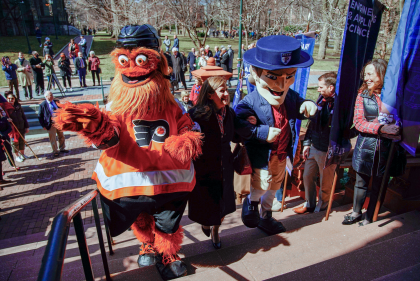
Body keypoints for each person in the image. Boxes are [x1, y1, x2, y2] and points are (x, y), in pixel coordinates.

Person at [53, 25, 203, 279]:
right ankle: (147, 243)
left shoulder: (173, 103)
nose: (133, 69)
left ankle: (167, 253)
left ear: (157, 63)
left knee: (169, 221)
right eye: (126, 61)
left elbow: (190, 126)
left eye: (141, 60)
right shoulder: (116, 106)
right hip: (130, 183)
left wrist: (187, 141)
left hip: (170, 181)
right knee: (140, 217)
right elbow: (110, 137)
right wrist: (92, 125)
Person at [235, 35, 317, 235]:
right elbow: (239, 126)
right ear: (256, 74)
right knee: (261, 184)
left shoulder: (289, 96)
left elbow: (297, 103)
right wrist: (262, 133)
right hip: (262, 157)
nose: (281, 85)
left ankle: (266, 215)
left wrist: (306, 104)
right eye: (273, 77)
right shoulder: (249, 103)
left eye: (289, 77)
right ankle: (252, 203)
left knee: (274, 186)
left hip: (281, 154)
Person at [342, 59, 406, 227]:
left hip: (387, 148)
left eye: (370, 74)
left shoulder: (395, 96)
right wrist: (381, 128)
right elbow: (359, 122)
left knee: (380, 183)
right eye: (366, 74)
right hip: (366, 146)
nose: (366, 78)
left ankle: (370, 215)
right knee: (361, 182)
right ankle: (356, 212)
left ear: (382, 74)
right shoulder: (362, 95)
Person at [188, 76, 248, 249]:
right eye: (221, 90)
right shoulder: (195, 115)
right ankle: (207, 224)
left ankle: (215, 230)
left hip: (225, 166)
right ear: (209, 95)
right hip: (205, 168)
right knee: (208, 204)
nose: (226, 93)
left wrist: (248, 125)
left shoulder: (229, 113)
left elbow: (235, 135)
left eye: (226, 88)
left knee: (223, 203)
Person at [293, 72, 337, 214]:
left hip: (328, 149)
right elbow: (312, 123)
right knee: (307, 176)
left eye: (320, 87)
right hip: (314, 146)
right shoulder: (320, 99)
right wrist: (306, 143)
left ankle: (322, 208)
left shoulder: (340, 104)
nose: (318, 90)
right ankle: (310, 204)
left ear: (331, 88)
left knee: (325, 182)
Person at [38, 91, 68, 157]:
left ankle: (62, 148)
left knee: (61, 135)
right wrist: (43, 125)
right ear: (46, 97)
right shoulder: (43, 105)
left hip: (58, 122)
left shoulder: (56, 101)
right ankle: (55, 151)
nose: (52, 96)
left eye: (52, 95)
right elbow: (40, 116)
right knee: (53, 138)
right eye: (50, 95)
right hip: (50, 123)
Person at [5, 92, 29, 163]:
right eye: (9, 98)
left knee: (22, 141)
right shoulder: (5, 108)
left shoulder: (18, 106)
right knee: (15, 143)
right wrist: (7, 120)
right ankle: (17, 156)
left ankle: (22, 154)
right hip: (13, 129)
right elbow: (3, 117)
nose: (10, 100)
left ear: (15, 99)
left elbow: (23, 116)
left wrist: (26, 126)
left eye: (12, 98)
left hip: (21, 127)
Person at [0, 101, 15, 182]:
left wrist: (3, 134)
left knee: (8, 151)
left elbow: (9, 128)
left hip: (5, 138)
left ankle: (12, 164)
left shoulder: (4, 119)